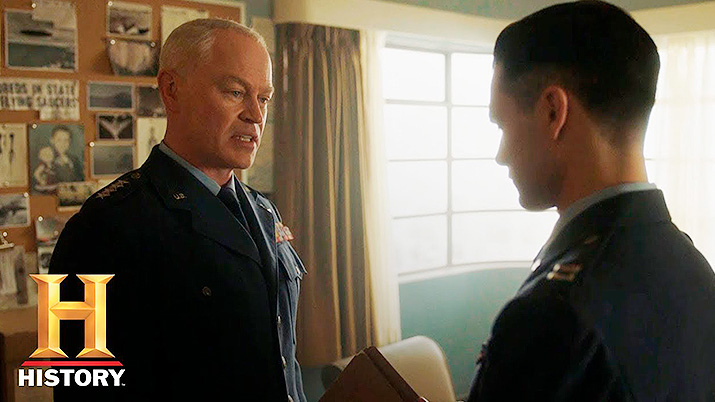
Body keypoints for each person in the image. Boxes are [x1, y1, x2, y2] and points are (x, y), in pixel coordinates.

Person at [468, 1, 715, 401]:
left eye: (502, 125)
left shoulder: (551, 314)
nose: (501, 154)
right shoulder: (693, 268)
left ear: (553, 112)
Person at [50, 19, 307, 401]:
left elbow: (281, 364)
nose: (255, 114)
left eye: (264, 98)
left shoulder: (264, 211)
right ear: (172, 90)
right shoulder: (101, 228)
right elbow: (75, 386)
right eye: (235, 92)